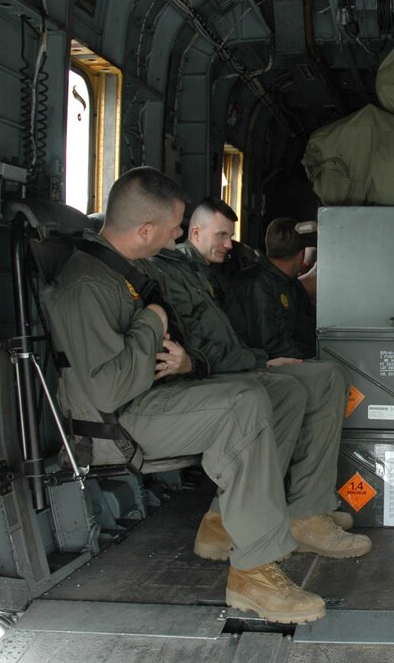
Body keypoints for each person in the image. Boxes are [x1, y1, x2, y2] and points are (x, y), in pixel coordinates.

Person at [43, 168, 355, 625]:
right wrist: (151, 322)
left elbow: (181, 342)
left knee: (284, 392)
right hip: (120, 422)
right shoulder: (90, 284)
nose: (179, 234)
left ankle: (262, 519)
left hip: (157, 397)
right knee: (245, 403)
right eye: (174, 228)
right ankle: (251, 573)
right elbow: (108, 387)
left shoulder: (133, 269)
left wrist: (189, 360)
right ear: (146, 230)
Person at [155, 198, 358, 532]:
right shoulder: (175, 273)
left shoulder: (208, 273)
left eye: (229, 237)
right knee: (298, 388)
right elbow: (197, 350)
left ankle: (304, 508)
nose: (228, 244)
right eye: (221, 235)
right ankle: (234, 517)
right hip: (215, 374)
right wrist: (262, 359)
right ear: (195, 232)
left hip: (237, 363)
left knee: (329, 378)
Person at [225, 217, 318, 359]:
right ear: (301, 257)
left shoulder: (287, 283)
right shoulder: (257, 285)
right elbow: (269, 346)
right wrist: (316, 355)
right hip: (269, 365)